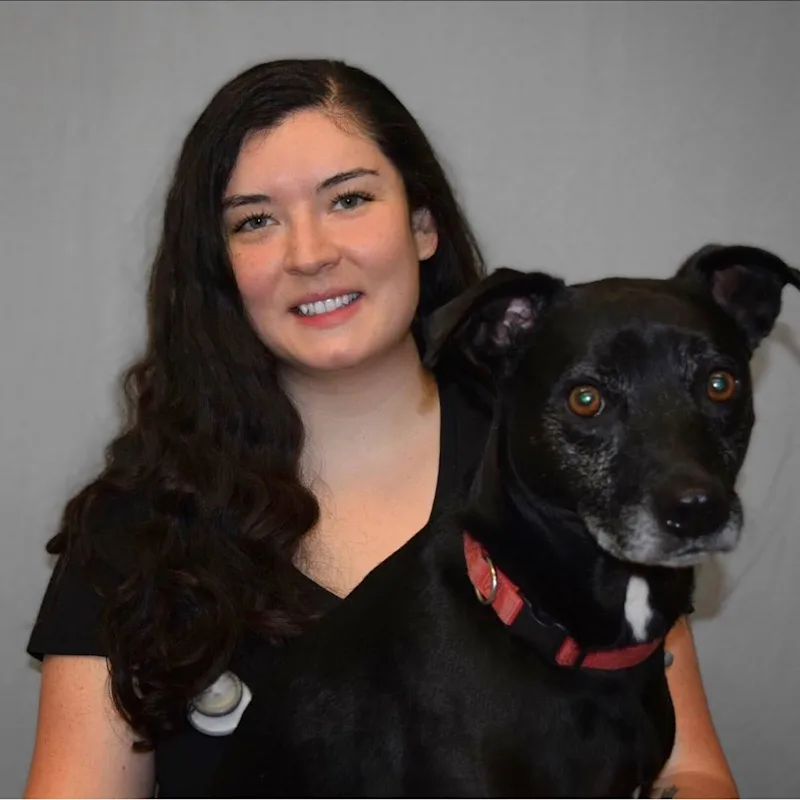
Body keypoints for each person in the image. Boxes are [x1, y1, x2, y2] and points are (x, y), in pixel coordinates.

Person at [24, 58, 738, 798]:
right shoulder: (137, 525)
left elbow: (691, 771)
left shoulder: (566, 460)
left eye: (350, 199)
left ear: (422, 226)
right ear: (222, 267)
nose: (310, 254)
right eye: (256, 220)